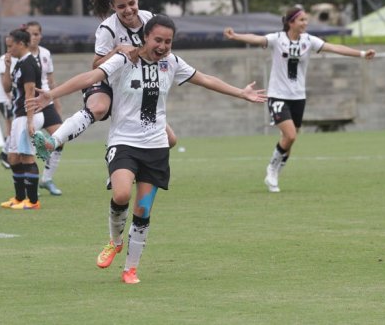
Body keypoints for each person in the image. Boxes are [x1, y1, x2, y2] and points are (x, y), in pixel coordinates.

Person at [28, 15, 267, 284]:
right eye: (158, 40)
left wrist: (241, 93)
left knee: (142, 210)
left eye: (168, 41)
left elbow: (206, 79)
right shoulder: (124, 60)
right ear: (145, 38)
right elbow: (91, 76)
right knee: (120, 194)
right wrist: (53, 94)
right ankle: (115, 241)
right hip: (124, 142)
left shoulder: (172, 63)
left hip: (155, 147)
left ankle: (131, 269)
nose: (163, 46)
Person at [223, 6, 376, 193]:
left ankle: (277, 170)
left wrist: (361, 54)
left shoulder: (308, 41)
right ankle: (272, 168)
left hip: (298, 97)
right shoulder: (277, 39)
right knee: (290, 135)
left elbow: (334, 47)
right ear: (291, 22)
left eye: (306, 20)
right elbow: (257, 39)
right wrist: (236, 36)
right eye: (302, 20)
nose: (306, 23)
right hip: (278, 95)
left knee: (289, 140)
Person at [35, 0, 177, 159]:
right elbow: (96, 65)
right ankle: (53, 141)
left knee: (170, 140)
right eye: (121, 6)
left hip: (136, 84)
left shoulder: (149, 19)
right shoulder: (107, 29)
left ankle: (126, 161)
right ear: (112, 6)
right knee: (99, 108)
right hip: (108, 81)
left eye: (131, 3)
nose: (128, 10)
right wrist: (116, 50)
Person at [0, 28, 44, 210]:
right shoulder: (18, 64)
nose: (8, 50)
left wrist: (30, 120)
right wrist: (8, 66)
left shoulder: (29, 64)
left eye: (11, 46)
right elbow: (7, 89)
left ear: (21, 44)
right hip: (19, 116)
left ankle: (33, 201)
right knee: (13, 158)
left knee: (27, 157)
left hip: (27, 115)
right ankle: (19, 198)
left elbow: (30, 93)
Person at [24, 21, 64, 196]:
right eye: (31, 34)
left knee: (60, 138)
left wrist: (57, 102)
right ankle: (30, 183)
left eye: (36, 34)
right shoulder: (22, 55)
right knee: (28, 145)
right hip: (31, 104)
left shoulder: (46, 54)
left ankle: (46, 179)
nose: (34, 37)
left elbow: (52, 81)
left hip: (46, 102)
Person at [0, 36, 17, 169]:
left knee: (13, 126)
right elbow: (5, 83)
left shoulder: (14, 59)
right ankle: (5, 154)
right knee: (12, 126)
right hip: (5, 99)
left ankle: (8, 154)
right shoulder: (4, 60)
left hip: (10, 99)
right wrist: (12, 99)